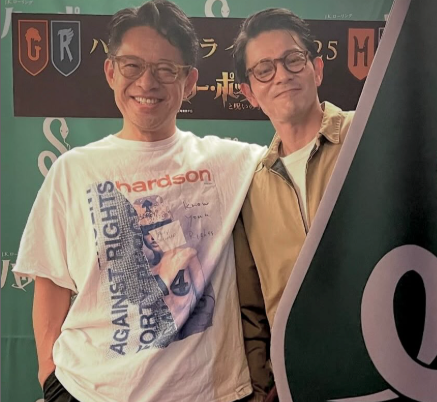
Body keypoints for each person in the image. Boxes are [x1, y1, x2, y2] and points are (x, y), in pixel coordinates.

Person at [13, 1, 265, 401]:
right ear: (111, 72)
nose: (147, 82)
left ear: (190, 82)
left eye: (166, 69)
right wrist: (50, 378)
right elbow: (51, 283)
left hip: (208, 393)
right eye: (132, 66)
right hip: (89, 390)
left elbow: (305, 151)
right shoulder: (72, 171)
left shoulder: (231, 162)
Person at [232, 8, 355, 401]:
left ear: (316, 69)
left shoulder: (368, 135)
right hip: (298, 382)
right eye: (264, 69)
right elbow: (251, 306)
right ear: (249, 93)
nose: (282, 75)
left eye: (293, 59)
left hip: (386, 364)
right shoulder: (250, 186)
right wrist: (264, 386)